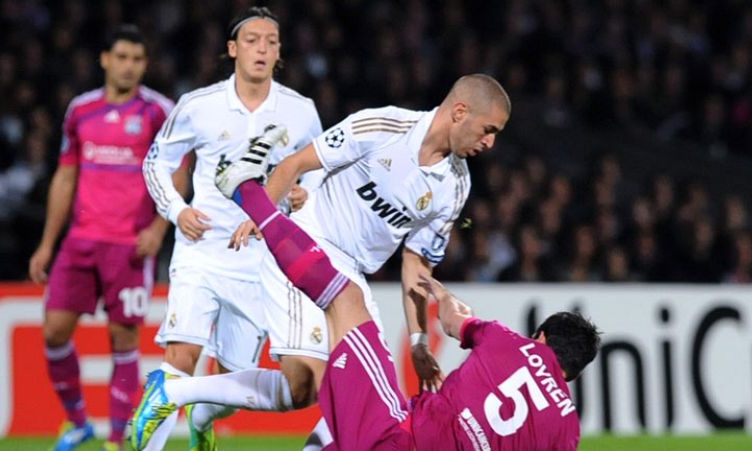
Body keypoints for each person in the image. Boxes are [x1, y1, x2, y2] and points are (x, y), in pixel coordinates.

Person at [132, 135, 601, 450]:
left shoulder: (509, 342)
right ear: (573, 376)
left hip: (396, 432)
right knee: (322, 398)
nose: (489, 141)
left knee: (343, 308)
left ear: (539, 336)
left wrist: (442, 306)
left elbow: (457, 321)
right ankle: (189, 399)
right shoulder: (567, 431)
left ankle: (246, 191)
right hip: (396, 424)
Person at [133, 71, 511, 450]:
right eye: (488, 129)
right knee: (308, 386)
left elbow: (416, 264)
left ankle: (195, 404)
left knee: (366, 403)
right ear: (460, 111)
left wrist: (417, 341)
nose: (491, 143)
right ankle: (174, 391)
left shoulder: (455, 185)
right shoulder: (384, 126)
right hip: (307, 248)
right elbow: (295, 164)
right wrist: (263, 218)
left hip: (352, 279)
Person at [135, 6, 323, 450]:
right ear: (233, 49)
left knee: (231, 382)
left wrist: (304, 193)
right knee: (180, 356)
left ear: (279, 53)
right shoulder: (199, 106)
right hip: (200, 251)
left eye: (271, 42)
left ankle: (202, 423)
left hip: (262, 262)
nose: (262, 48)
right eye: (253, 40)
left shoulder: (300, 111)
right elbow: (155, 162)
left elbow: (319, 168)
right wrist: (177, 211)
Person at [26, 24, 177, 451]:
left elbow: (179, 170)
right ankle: (77, 423)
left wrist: (159, 226)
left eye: (137, 58)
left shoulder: (158, 112)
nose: (129, 66)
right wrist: (47, 243)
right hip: (80, 241)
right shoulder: (80, 111)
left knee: (123, 338)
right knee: (54, 331)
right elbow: (66, 174)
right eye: (122, 57)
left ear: (145, 65)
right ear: (105, 60)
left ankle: (115, 439)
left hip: (129, 244)